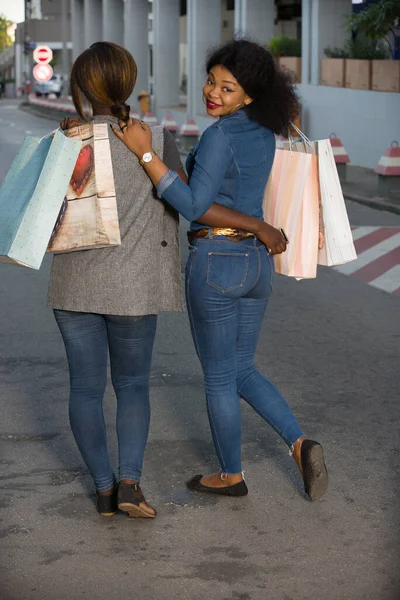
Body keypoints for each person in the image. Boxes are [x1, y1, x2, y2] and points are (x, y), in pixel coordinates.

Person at [51, 41, 291, 518]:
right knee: (133, 386)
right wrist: (257, 225)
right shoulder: (155, 139)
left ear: (80, 87)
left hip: (73, 285)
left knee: (83, 390)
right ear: (130, 84)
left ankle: (101, 490)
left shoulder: (64, 142)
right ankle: (130, 486)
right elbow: (183, 202)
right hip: (135, 287)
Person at [112, 39, 328, 502]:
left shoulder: (220, 136)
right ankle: (299, 442)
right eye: (211, 81)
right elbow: (215, 193)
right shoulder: (260, 132)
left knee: (218, 378)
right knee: (242, 368)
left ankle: (231, 474)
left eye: (227, 88)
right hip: (255, 265)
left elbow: (194, 206)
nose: (213, 93)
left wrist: (146, 156)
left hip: (217, 265)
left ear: (249, 95)